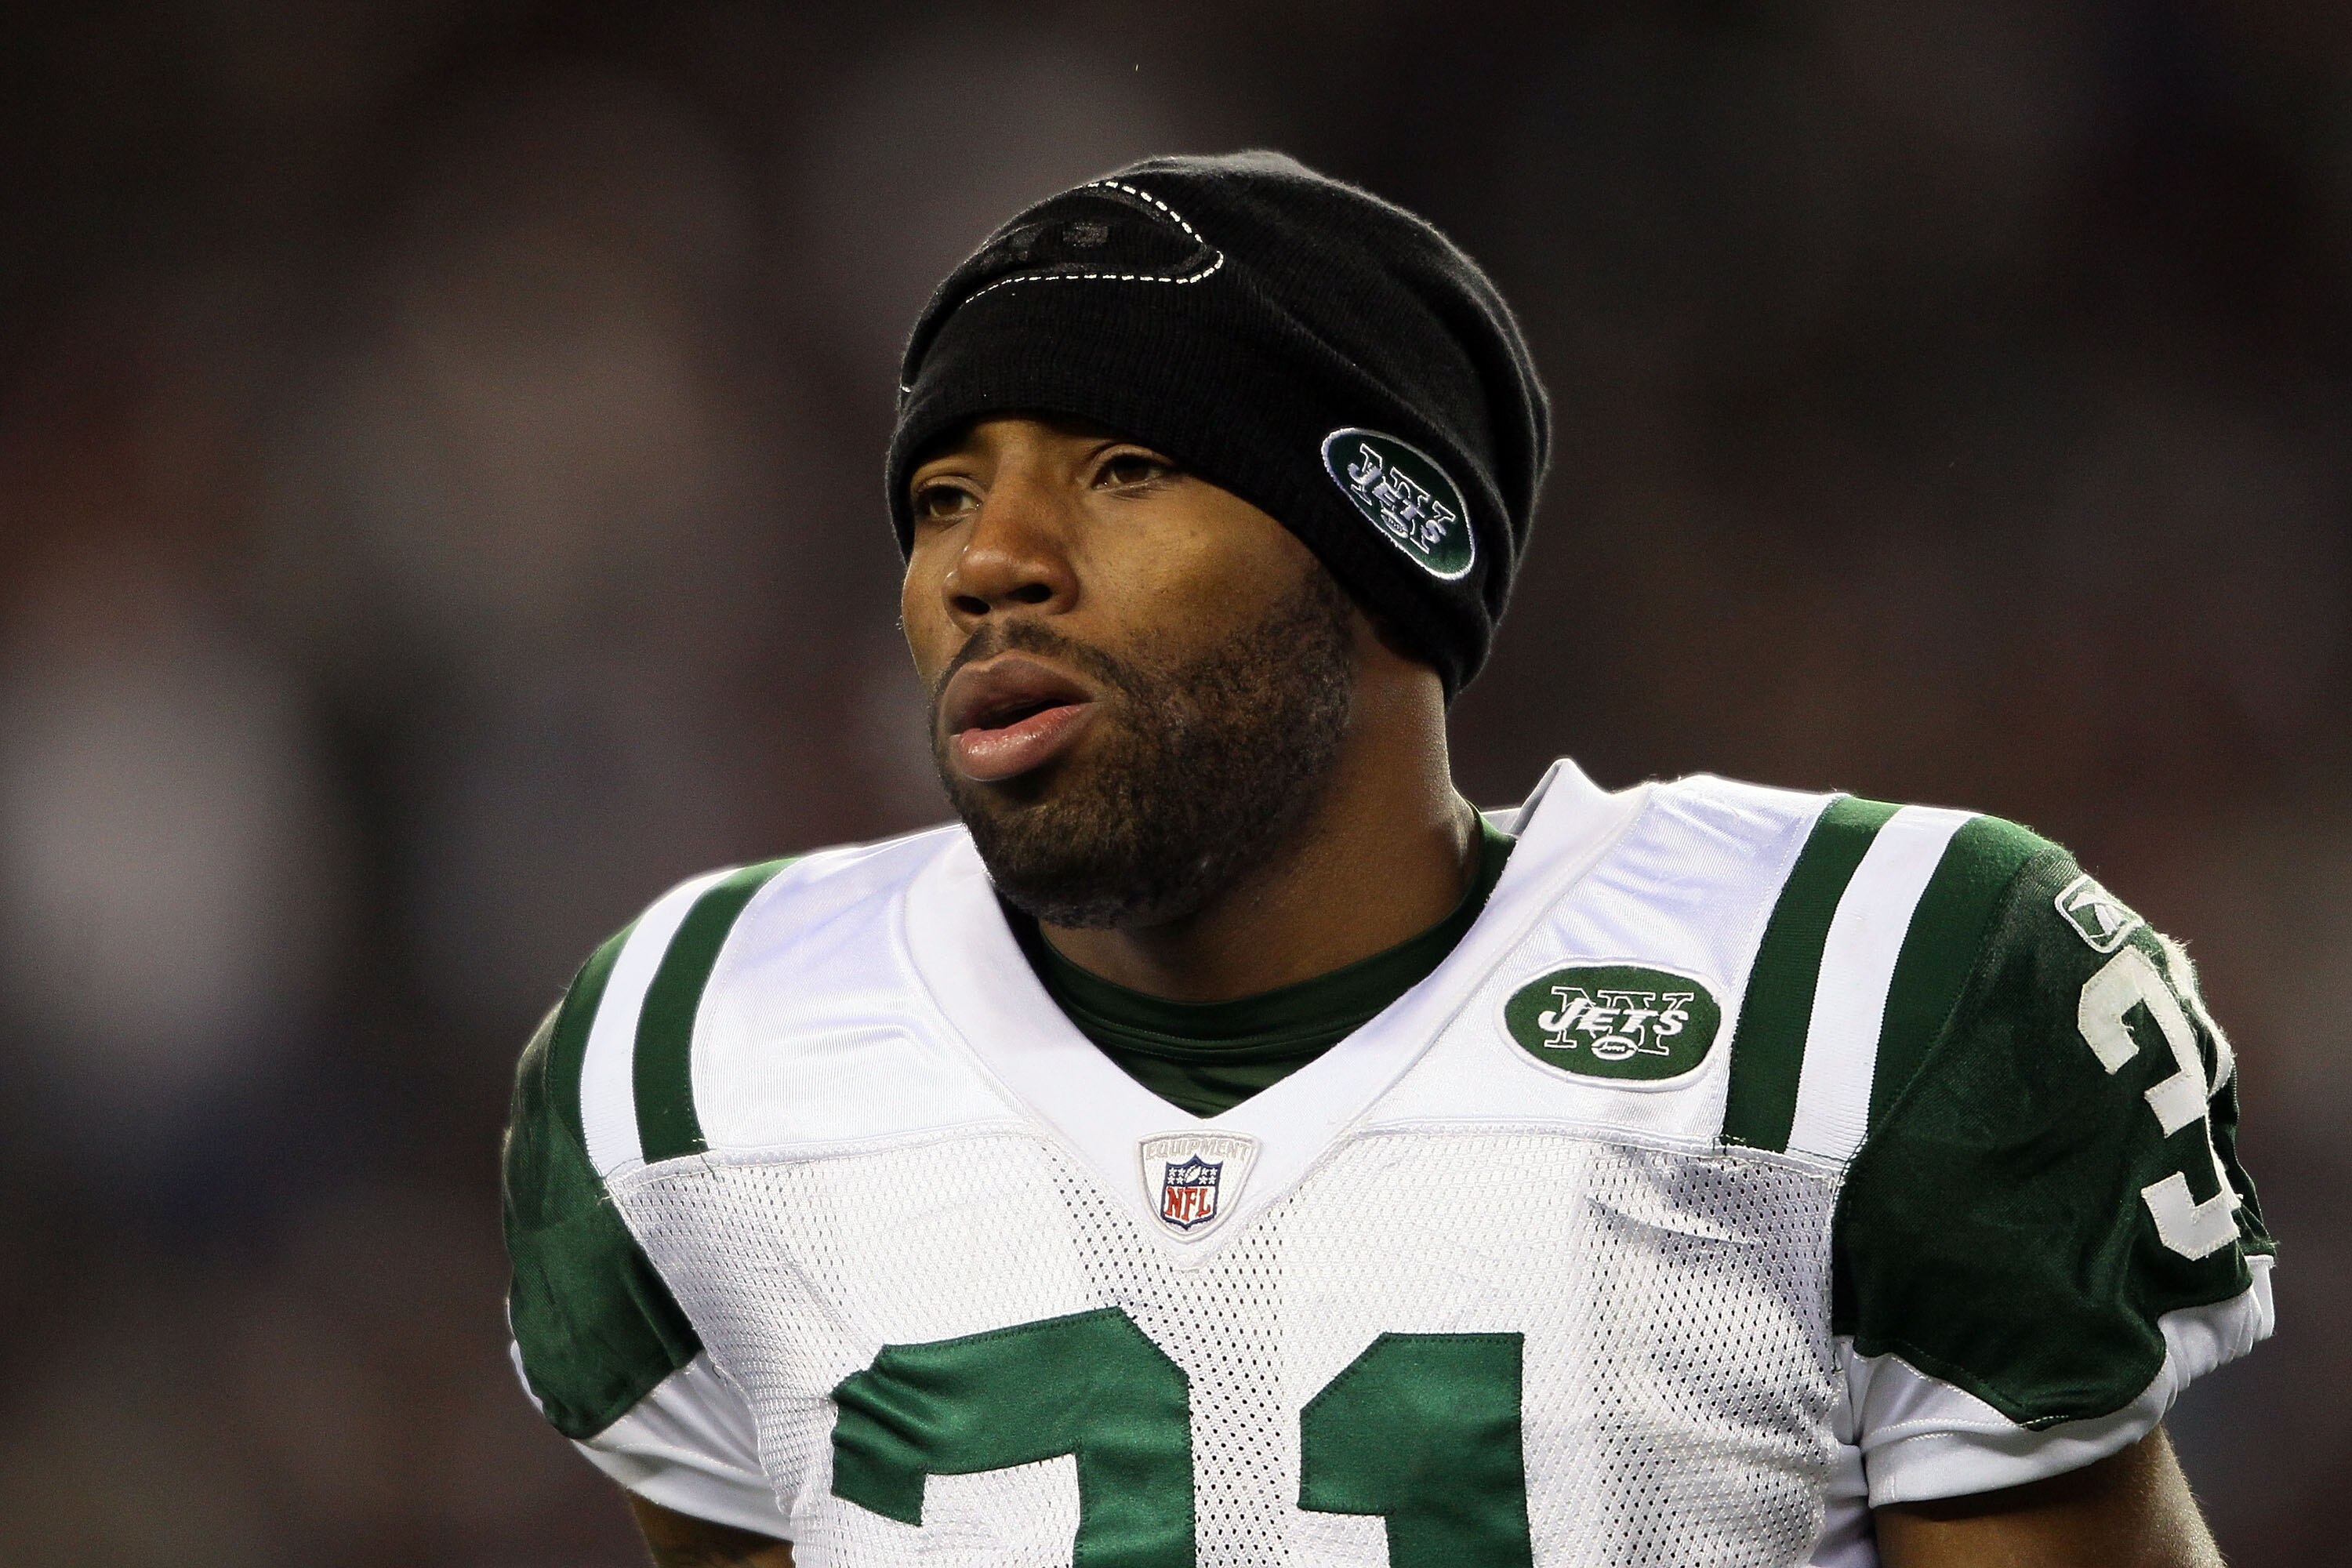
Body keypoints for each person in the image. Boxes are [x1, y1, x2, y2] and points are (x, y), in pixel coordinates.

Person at [501, 152, 2273, 1568]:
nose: (992, 561)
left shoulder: (1861, 988)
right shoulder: (695, 1060)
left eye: (1123, 467)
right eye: (946, 493)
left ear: (1385, 548)